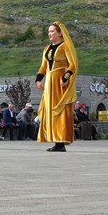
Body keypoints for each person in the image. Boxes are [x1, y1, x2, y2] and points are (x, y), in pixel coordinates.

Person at [37, 22, 79, 153]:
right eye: (49, 32)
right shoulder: (47, 48)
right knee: (49, 110)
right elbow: (43, 66)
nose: (49, 34)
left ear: (60, 33)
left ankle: (61, 141)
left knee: (59, 110)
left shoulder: (65, 46)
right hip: (49, 82)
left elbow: (73, 64)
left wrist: (66, 77)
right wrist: (38, 79)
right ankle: (55, 139)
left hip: (60, 82)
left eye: (52, 31)